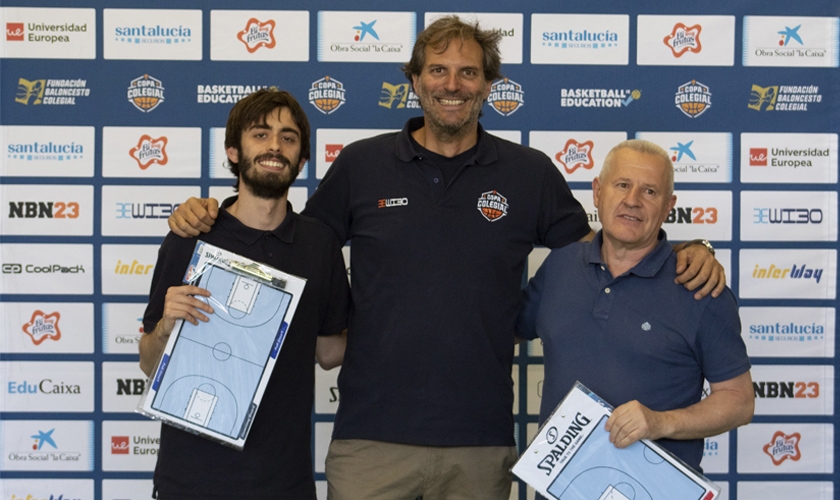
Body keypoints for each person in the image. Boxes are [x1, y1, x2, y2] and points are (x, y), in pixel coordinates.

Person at [167, 17, 724, 500]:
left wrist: (687, 249)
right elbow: (291, 243)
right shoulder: (362, 165)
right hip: (369, 437)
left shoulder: (528, 174)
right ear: (414, 81)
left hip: (479, 442)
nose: (451, 84)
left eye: (468, 73)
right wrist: (211, 216)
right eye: (437, 70)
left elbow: (607, 252)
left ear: (488, 86)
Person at [139, 89, 350, 500]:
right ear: (234, 151)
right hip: (190, 482)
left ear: (302, 160)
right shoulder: (190, 236)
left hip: (284, 482)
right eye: (260, 134)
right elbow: (148, 363)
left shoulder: (319, 245)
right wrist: (165, 327)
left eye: (288, 138)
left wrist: (409, 309)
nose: (275, 146)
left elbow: (328, 351)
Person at [516, 139, 754, 473]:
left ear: (668, 205)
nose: (632, 201)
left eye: (650, 192)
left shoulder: (699, 287)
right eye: (623, 185)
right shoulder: (559, 267)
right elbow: (497, 332)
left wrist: (659, 422)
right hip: (562, 486)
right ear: (598, 191)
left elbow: (739, 401)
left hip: (656, 490)